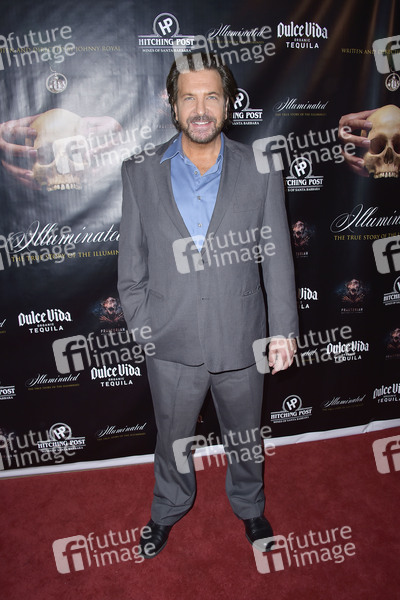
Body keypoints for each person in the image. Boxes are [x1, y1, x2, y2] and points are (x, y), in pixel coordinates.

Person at [118, 53, 298, 559]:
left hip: (242, 335)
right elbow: (131, 265)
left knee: (245, 437)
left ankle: (250, 504)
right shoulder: (139, 172)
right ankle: (167, 508)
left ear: (228, 103)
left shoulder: (260, 167)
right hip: (169, 340)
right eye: (189, 98)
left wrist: (283, 330)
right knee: (172, 438)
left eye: (212, 96)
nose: (201, 109)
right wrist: (145, 326)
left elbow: (277, 255)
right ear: (173, 105)